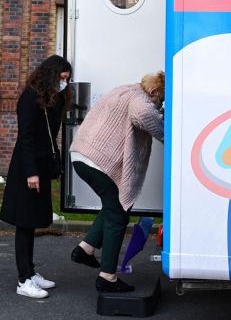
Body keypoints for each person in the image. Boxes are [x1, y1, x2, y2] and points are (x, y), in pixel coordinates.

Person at [69, 71, 165, 293]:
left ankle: (86, 249)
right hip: (98, 161)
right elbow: (144, 115)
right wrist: (169, 131)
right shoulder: (140, 100)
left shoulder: (124, 89)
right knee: (118, 214)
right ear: (153, 91)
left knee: (114, 203)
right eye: (159, 99)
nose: (158, 105)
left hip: (82, 154)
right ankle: (107, 277)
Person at [0, 54, 72, 299]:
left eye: (67, 79)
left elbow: (51, 135)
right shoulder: (30, 98)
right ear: (50, 75)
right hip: (27, 168)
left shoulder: (53, 98)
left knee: (30, 222)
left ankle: (30, 273)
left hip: (39, 166)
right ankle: (23, 280)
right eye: (61, 78)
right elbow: (26, 137)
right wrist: (31, 172)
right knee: (24, 222)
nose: (64, 83)